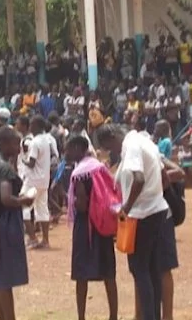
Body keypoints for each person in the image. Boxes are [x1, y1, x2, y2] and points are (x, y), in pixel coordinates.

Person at [95, 124, 170, 320]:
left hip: (142, 215)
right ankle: (153, 315)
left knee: (139, 269)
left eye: (109, 146)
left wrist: (125, 209)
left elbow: (138, 179)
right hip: (156, 210)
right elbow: (164, 178)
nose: (112, 151)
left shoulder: (132, 147)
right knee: (152, 269)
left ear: (113, 137)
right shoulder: (146, 142)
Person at [0, 126, 34, 320]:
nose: (18, 146)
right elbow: (5, 197)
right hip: (5, 224)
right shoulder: (4, 168)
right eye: (15, 142)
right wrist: (24, 201)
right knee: (5, 279)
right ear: (4, 144)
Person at [66, 135, 118, 320]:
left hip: (85, 226)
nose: (66, 152)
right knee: (108, 272)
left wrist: (73, 202)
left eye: (69, 149)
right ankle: (113, 315)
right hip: (102, 224)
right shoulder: (99, 167)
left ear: (79, 149)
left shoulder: (80, 173)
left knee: (81, 274)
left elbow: (81, 204)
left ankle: (81, 316)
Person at [21, 115, 55, 249]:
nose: (30, 127)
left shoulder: (35, 142)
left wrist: (23, 159)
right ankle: (45, 240)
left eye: (32, 125)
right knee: (42, 209)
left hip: (32, 180)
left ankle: (33, 238)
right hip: (43, 180)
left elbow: (31, 163)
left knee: (23, 208)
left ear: (37, 126)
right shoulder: (46, 141)